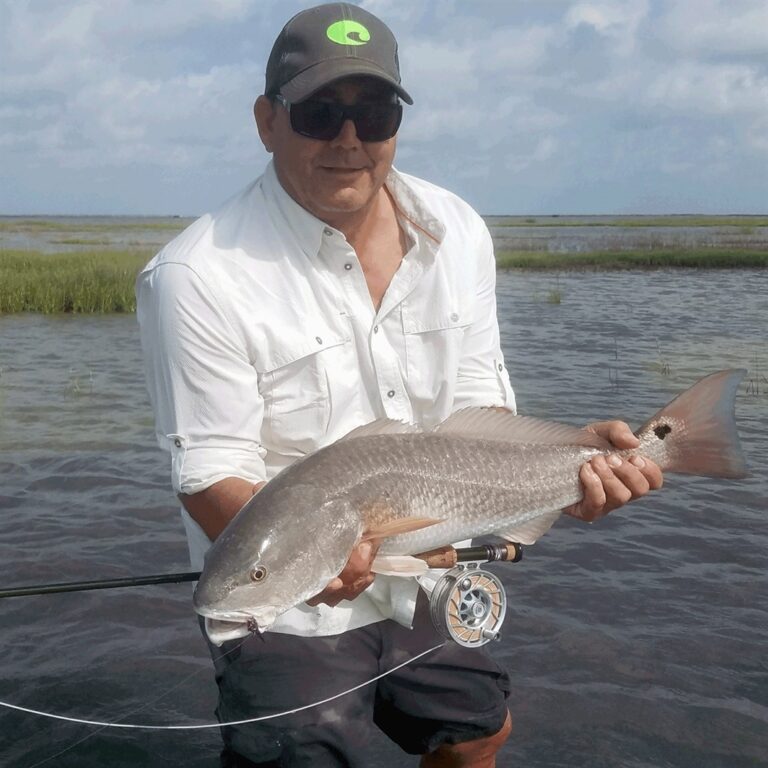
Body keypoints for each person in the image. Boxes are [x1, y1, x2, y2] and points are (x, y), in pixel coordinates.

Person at [136, 4, 662, 766]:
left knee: (477, 733)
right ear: (266, 120)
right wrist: (313, 560)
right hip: (286, 603)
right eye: (319, 113)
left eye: (373, 113)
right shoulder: (197, 276)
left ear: (396, 124)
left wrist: (574, 460)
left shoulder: (458, 230)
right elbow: (209, 473)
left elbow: (479, 418)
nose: (348, 139)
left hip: (434, 573)